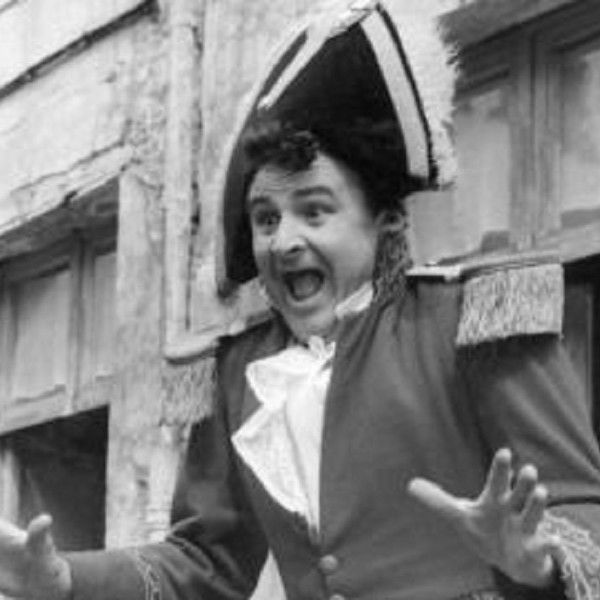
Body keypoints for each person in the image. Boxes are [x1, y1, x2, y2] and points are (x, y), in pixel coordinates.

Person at [2, 1, 600, 599]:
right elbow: (204, 561)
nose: (283, 241)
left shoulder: (475, 321)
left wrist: (539, 563)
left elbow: (583, 513)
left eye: (314, 211)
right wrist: (65, 579)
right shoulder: (238, 371)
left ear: (386, 221)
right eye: (265, 219)